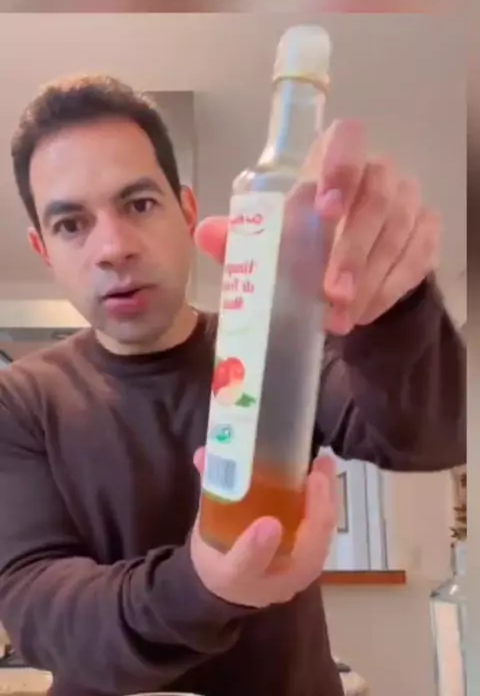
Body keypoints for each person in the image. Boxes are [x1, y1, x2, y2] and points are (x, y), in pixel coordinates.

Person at [0, 75, 465, 696]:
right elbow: (37, 607)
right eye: (70, 224)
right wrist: (201, 586)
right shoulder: (20, 401)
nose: (112, 248)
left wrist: (394, 310)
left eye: (139, 204)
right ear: (43, 249)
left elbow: (429, 435)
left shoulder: (277, 348)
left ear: (187, 211)